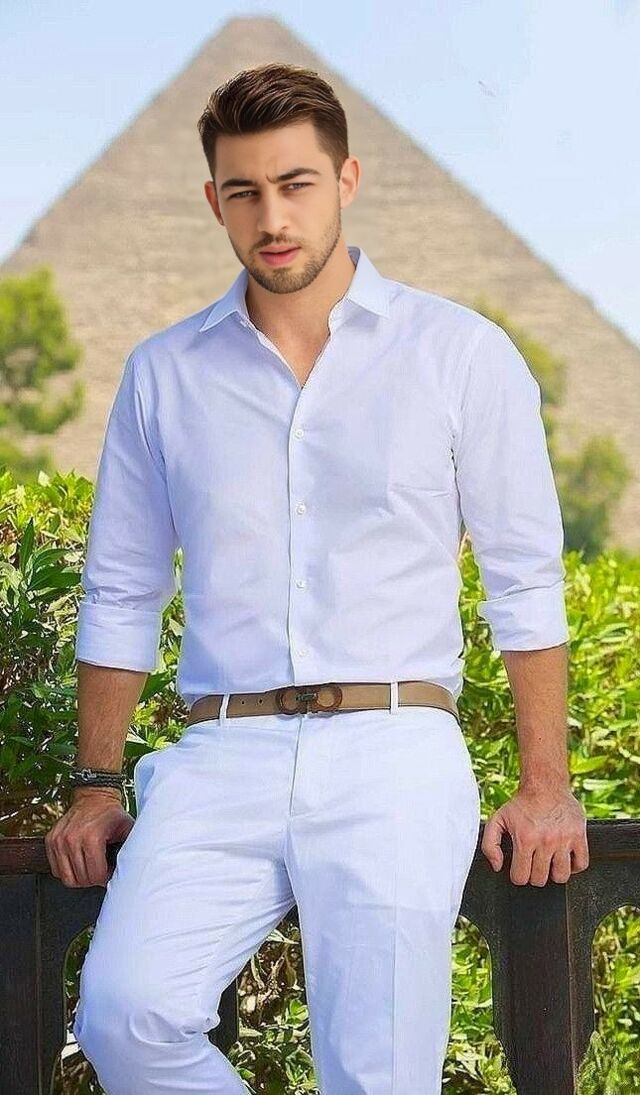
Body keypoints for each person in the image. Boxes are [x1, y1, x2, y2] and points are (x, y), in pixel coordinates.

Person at [45, 61, 589, 1094]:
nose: (272, 217)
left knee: (379, 1074)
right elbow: (121, 589)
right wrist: (95, 783)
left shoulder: (460, 354)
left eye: (295, 184)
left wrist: (546, 785)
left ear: (346, 179)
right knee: (125, 1017)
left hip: (396, 751)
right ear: (214, 202)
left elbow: (524, 581)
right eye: (244, 192)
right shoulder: (163, 373)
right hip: (219, 755)